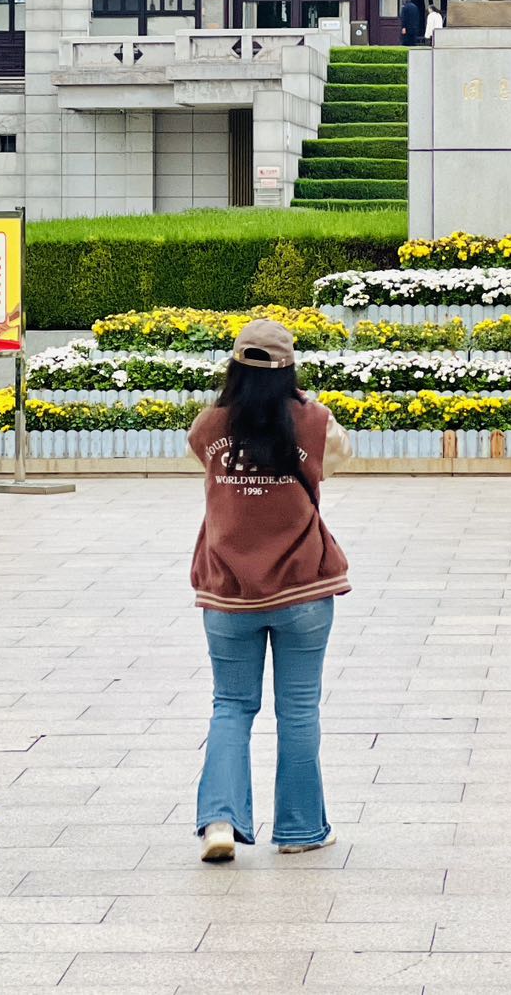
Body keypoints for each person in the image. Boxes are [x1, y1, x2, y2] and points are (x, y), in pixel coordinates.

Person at [189, 319, 352, 862]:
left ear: (234, 367)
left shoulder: (210, 426)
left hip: (229, 592)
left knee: (231, 706)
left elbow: (200, 450)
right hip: (303, 589)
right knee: (299, 710)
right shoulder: (314, 422)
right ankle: (302, 829)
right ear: (290, 370)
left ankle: (219, 821)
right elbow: (341, 458)